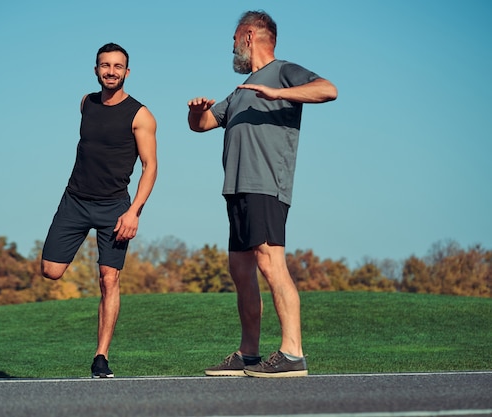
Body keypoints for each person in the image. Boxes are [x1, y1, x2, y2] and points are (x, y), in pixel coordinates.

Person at [187, 10, 337, 378]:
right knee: (240, 269)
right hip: (236, 190)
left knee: (270, 262)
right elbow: (203, 125)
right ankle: (249, 354)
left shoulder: (283, 71)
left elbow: (328, 89)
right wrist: (196, 112)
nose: (232, 46)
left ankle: (293, 353)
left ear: (249, 35)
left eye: (234, 39)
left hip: (266, 186)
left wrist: (277, 92)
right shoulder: (239, 91)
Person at [41, 42, 157, 378]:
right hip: (75, 200)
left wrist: (134, 211)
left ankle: (101, 356)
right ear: (96, 70)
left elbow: (150, 166)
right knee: (51, 271)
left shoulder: (140, 115)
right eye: (104, 65)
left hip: (115, 207)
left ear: (127, 72)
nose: (110, 71)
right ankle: (99, 353)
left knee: (109, 279)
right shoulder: (86, 103)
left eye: (117, 66)